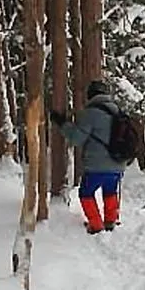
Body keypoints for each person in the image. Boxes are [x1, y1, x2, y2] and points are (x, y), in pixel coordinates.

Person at [49, 79, 127, 234]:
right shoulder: (117, 111)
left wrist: (63, 123)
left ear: (90, 95)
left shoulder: (91, 113)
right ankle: (110, 221)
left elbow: (77, 139)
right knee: (110, 191)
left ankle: (96, 224)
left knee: (85, 193)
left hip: (96, 165)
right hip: (118, 163)